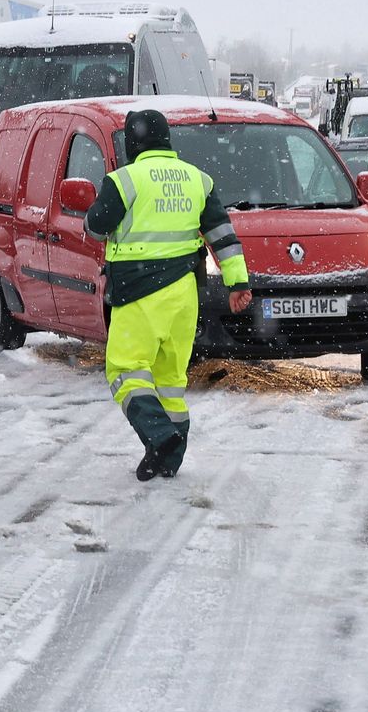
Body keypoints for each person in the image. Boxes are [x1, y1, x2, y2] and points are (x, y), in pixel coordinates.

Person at [84, 109, 253, 481]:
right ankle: (166, 458)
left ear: (133, 142)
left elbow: (97, 226)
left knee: (125, 370)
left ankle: (160, 438)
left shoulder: (124, 180)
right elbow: (223, 235)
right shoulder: (198, 180)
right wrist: (237, 283)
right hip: (184, 295)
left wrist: (92, 210)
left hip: (139, 293)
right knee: (169, 383)